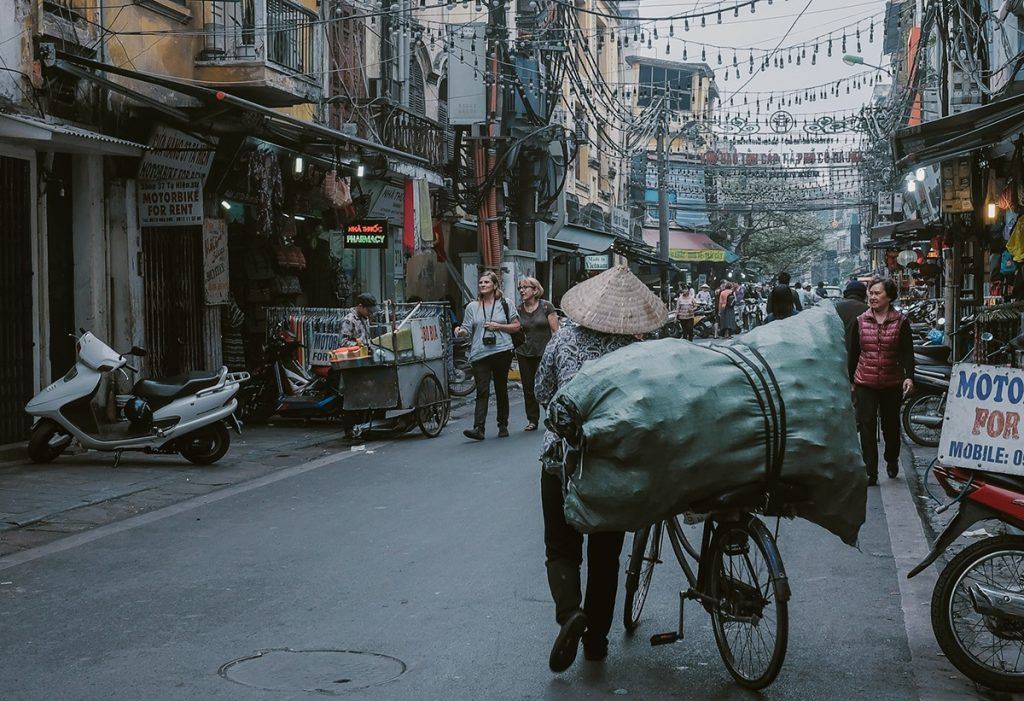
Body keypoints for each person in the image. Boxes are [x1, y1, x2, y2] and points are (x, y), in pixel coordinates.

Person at [535, 266, 667, 673]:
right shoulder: (637, 352)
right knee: (606, 554)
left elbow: (542, 391)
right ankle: (596, 642)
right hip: (613, 462)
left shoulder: (563, 339)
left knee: (561, 546)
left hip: (561, 461)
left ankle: (569, 612)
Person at [848, 278, 915, 485]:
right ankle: (870, 470)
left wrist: (909, 377)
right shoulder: (860, 321)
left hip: (891, 382)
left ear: (889, 297)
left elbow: (907, 353)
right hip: (865, 381)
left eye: (877, 293)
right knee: (866, 425)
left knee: (891, 426)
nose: (872, 297)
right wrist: (851, 380)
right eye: (871, 293)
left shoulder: (901, 321)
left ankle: (891, 458)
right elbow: (854, 353)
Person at [455, 271, 522, 440]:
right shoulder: (472, 307)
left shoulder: (506, 303)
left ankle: (503, 424)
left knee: (501, 388)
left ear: (494, 285)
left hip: (502, 350)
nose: (482, 285)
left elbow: (516, 327)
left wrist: (497, 326)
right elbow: (467, 330)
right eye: (480, 283)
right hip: (480, 352)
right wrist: (460, 331)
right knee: (482, 390)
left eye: (486, 282)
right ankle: (479, 428)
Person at [516, 277, 558, 432]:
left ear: (534, 290)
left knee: (546, 386)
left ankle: (552, 416)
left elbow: (556, 331)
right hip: (524, 352)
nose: (522, 290)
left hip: (544, 353)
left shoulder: (546, 306)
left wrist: (555, 351)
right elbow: (516, 330)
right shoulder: (518, 309)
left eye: (525, 287)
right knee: (528, 387)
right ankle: (532, 420)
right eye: (520, 288)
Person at [834, 280, 868, 346]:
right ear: (864, 294)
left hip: (837, 349)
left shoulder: (836, 307)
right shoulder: (867, 310)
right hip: (858, 350)